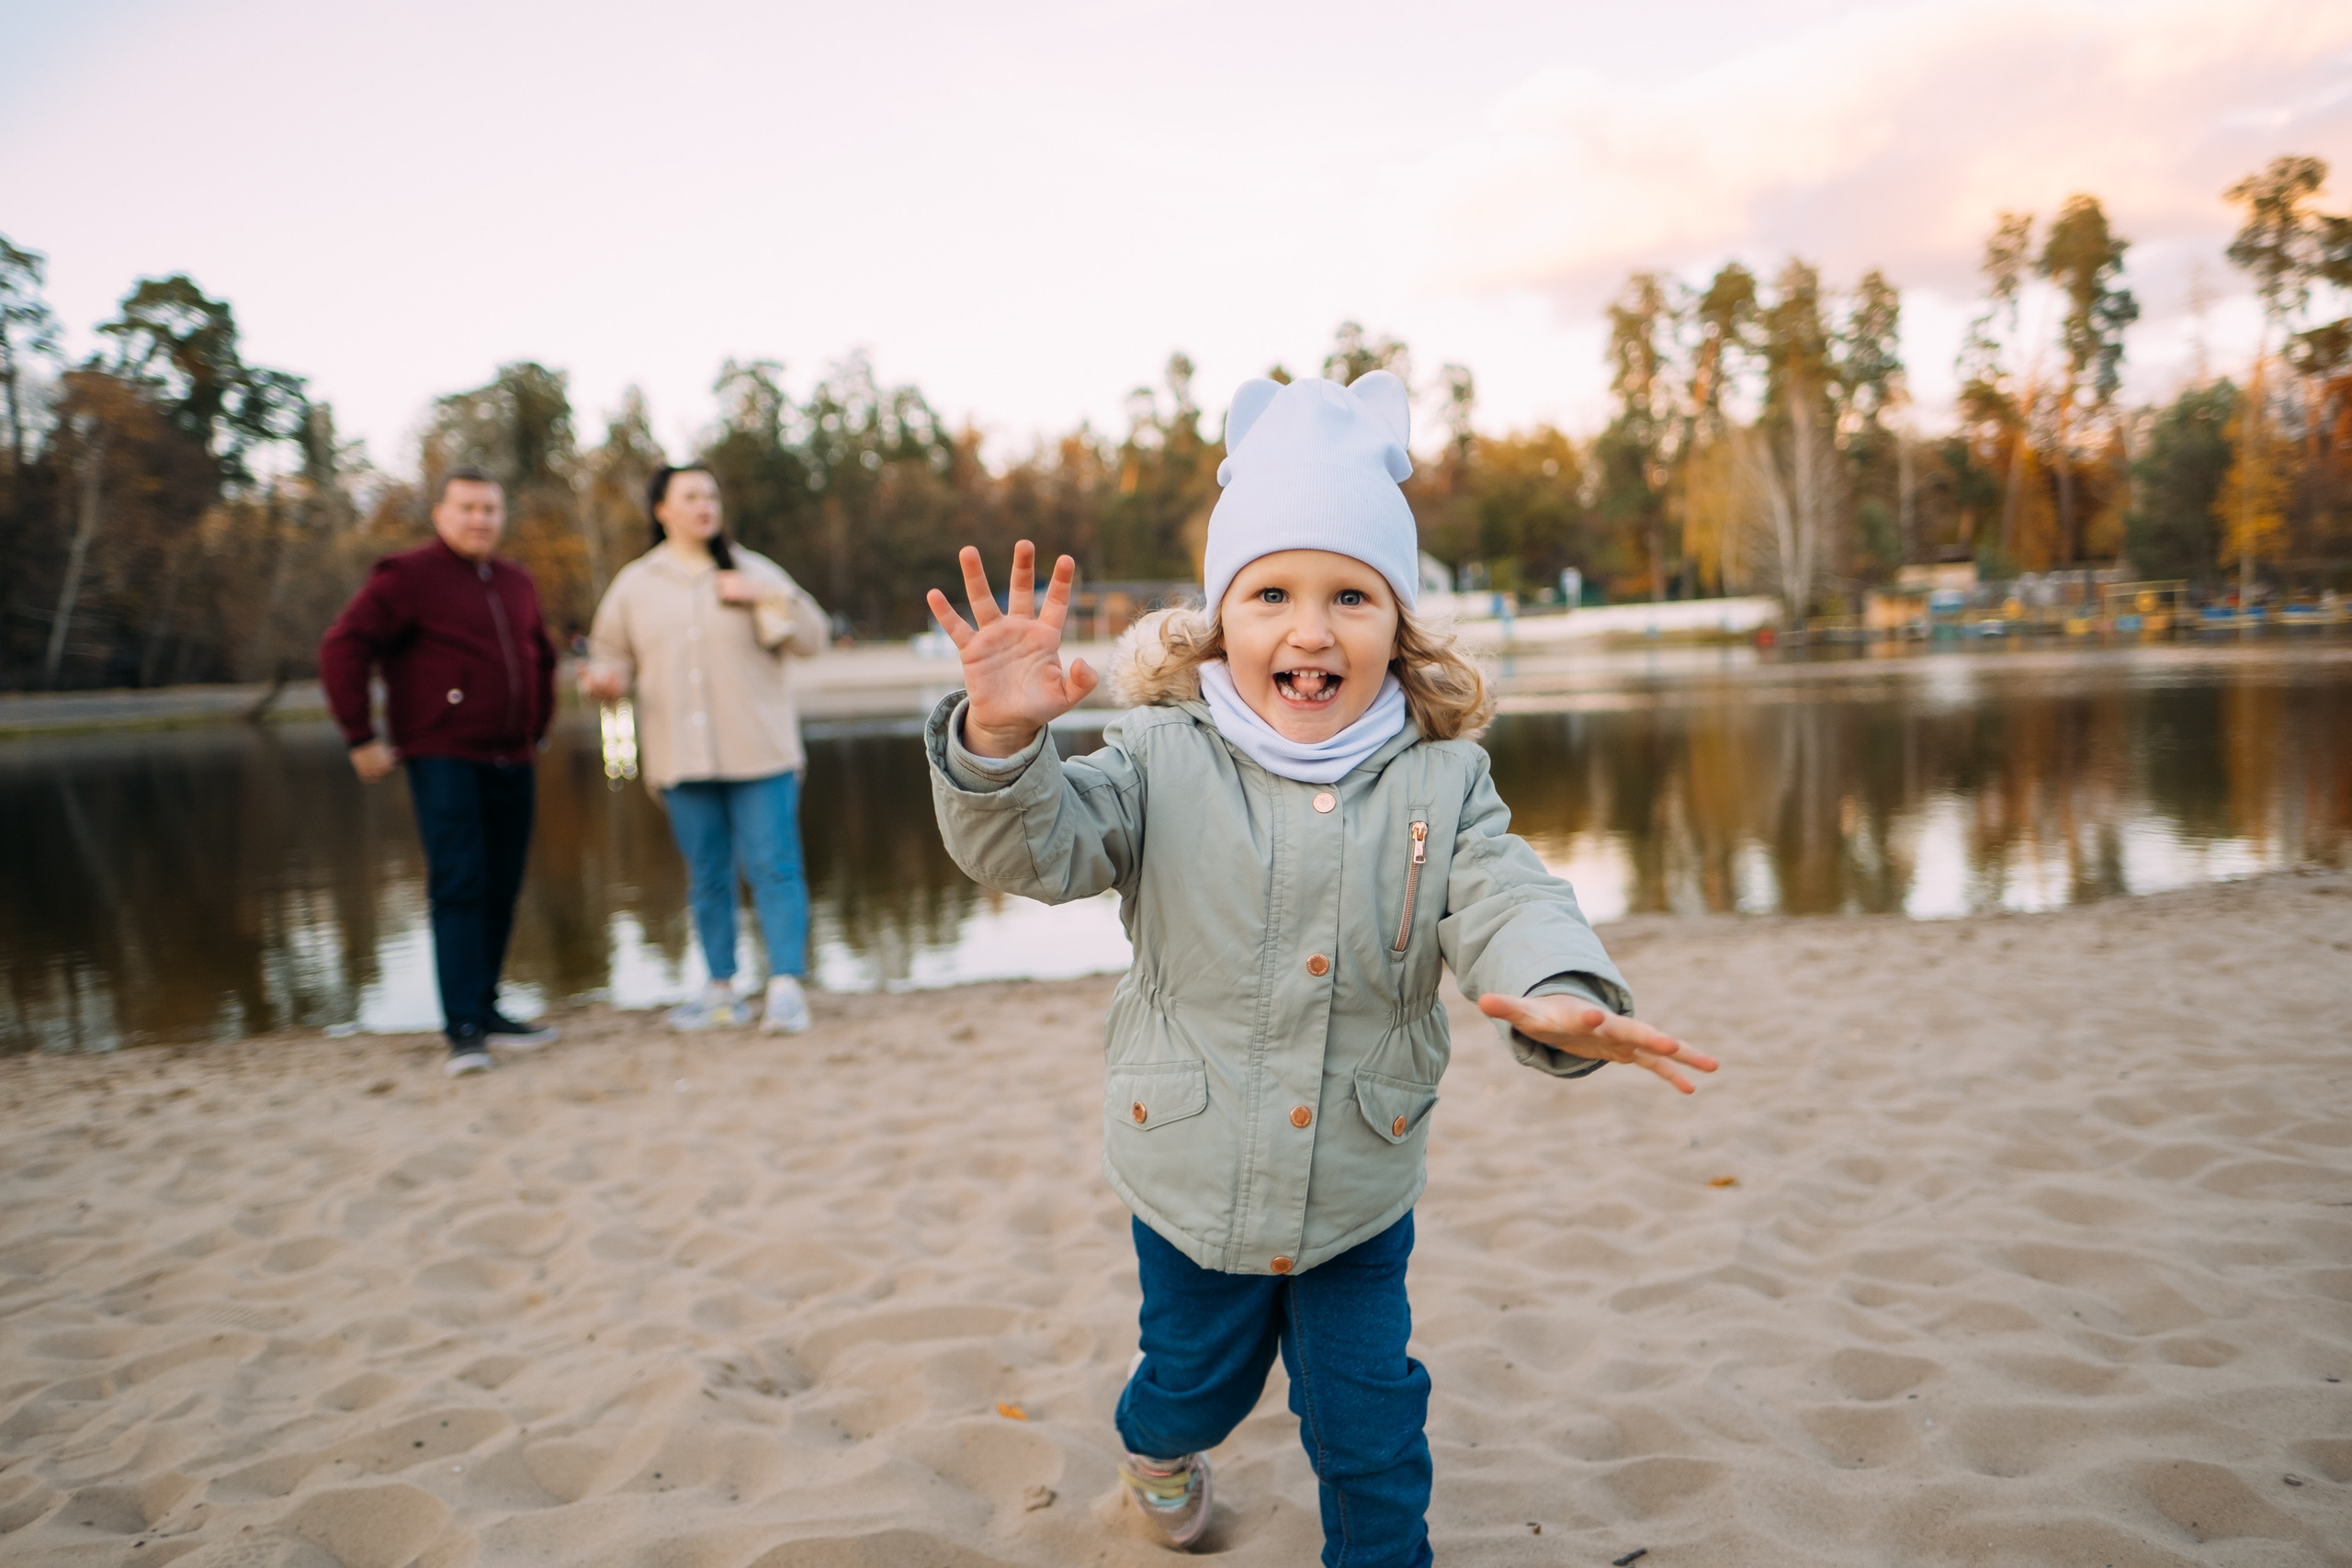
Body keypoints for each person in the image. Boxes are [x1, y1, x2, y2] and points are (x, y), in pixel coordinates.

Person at [922, 373, 1716, 1565]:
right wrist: (1001, 740)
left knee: (1370, 1423)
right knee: (1196, 1382)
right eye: (1272, 593)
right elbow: (1039, 844)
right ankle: (1155, 1443)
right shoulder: (1156, 761)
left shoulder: (1441, 780)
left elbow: (1503, 893)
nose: (1310, 628)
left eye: (1351, 594)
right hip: (1191, 1168)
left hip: (1356, 1180)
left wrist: (1565, 991)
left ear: (1397, 624)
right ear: (1217, 621)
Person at [320, 467, 561, 1077]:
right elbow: (343, 646)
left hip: (516, 753)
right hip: (444, 752)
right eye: (468, 508)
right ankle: (464, 1030)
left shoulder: (516, 581)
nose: (480, 519)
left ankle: (488, 1006)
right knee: (460, 882)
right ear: (441, 514)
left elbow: (541, 654)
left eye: (490, 509)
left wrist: (538, 723)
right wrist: (360, 734)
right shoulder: (407, 577)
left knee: (503, 883)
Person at [582, 465, 828, 1032]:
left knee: (776, 867)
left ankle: (787, 987)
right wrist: (605, 680)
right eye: (690, 496)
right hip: (680, 757)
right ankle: (721, 990)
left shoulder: (753, 570)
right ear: (662, 510)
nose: (704, 505)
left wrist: (769, 595)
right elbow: (609, 654)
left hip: (760, 752)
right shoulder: (636, 584)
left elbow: (812, 638)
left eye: (712, 495)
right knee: (708, 875)